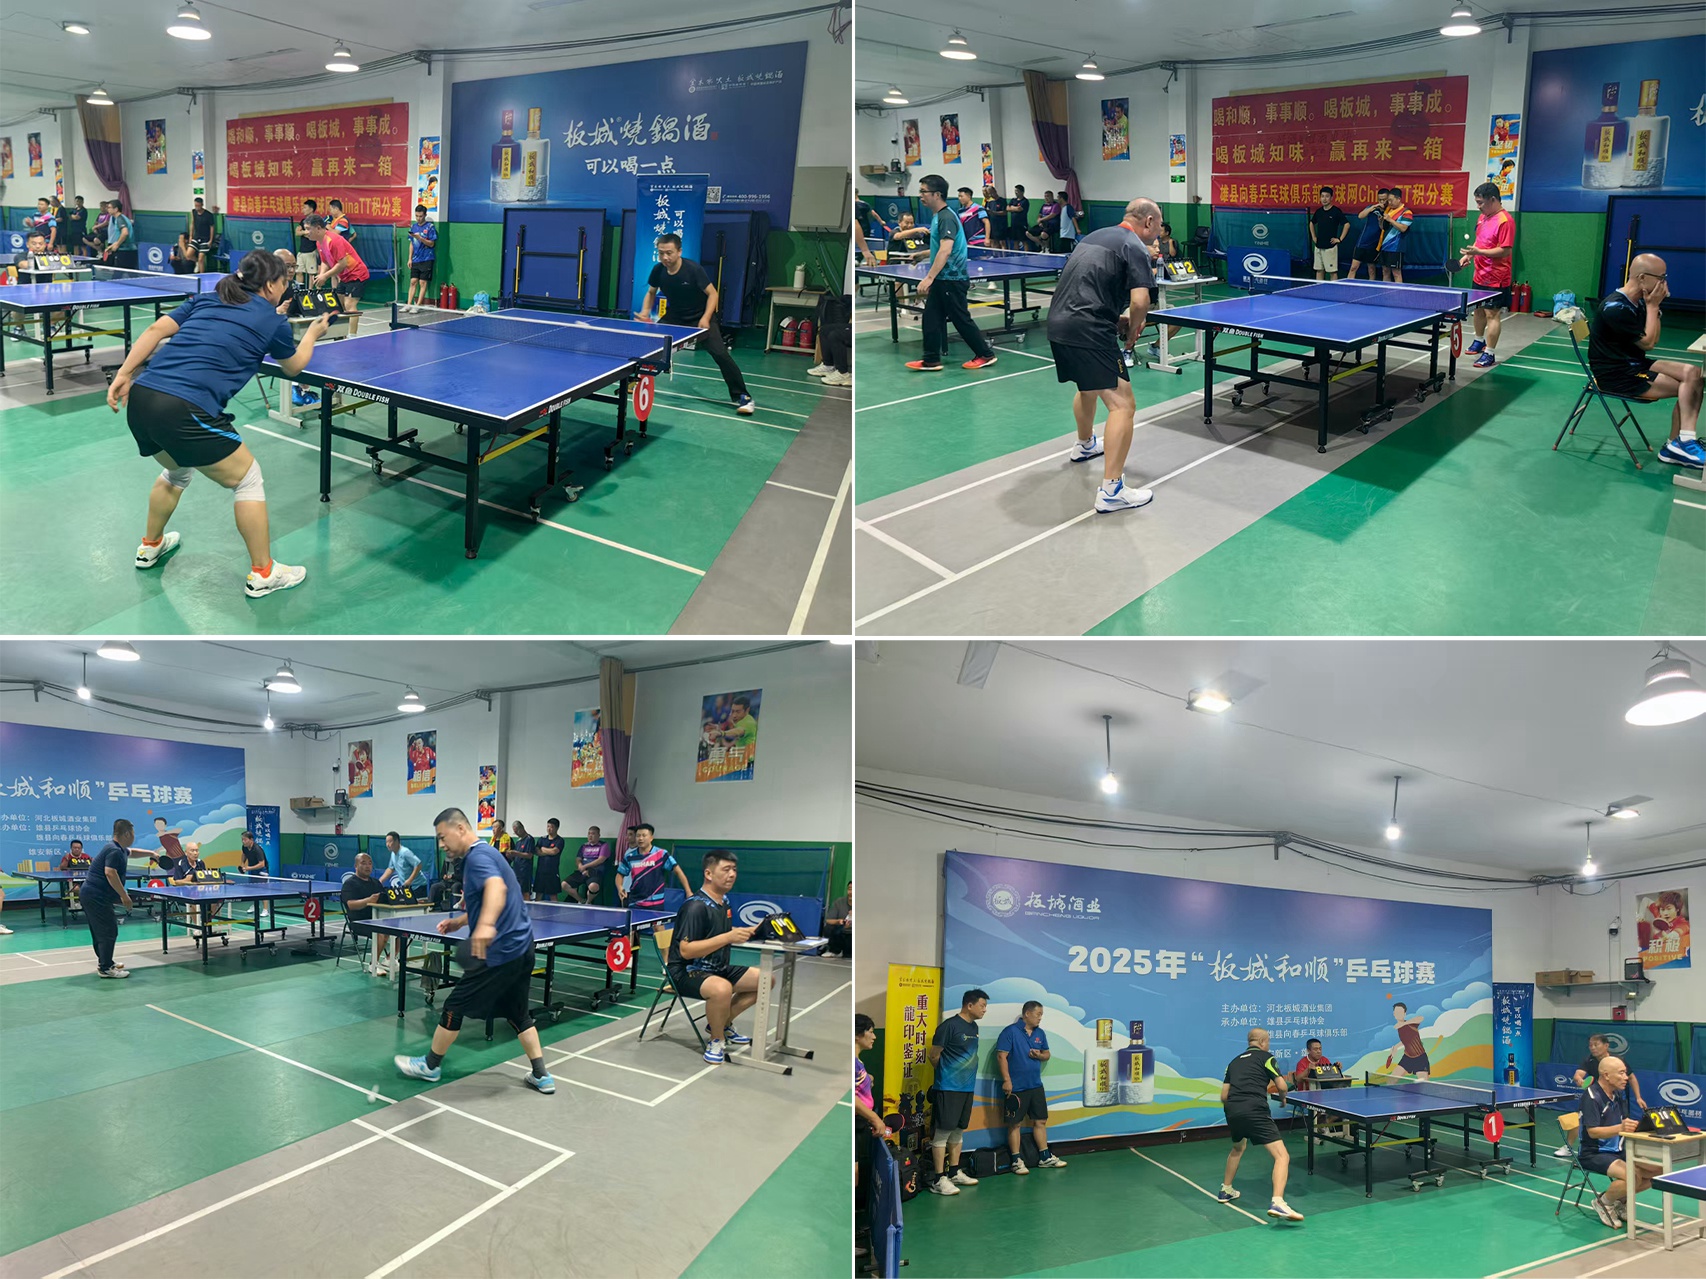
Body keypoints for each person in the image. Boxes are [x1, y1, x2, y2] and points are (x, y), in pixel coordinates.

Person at [105, 249, 330, 599]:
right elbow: (293, 367)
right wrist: (313, 334)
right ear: (271, 285)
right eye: (284, 281)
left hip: (143, 398)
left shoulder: (207, 299)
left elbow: (155, 329)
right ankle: (264, 573)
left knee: (177, 471)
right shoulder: (272, 322)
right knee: (248, 479)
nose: (286, 288)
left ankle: (150, 545)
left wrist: (124, 373)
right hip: (184, 408)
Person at [393, 808, 556, 1094]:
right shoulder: (488, 854)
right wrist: (460, 921)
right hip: (522, 948)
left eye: (443, 837)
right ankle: (541, 1074)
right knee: (518, 1013)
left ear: (460, 829)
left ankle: (430, 1065)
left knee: (454, 1006)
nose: (441, 844)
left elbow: (496, 889)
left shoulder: (478, 858)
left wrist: (485, 928)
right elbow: (495, 897)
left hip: (499, 952)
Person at [1048, 196, 1162, 514]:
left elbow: (1085, 288)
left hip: (1059, 323)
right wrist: (1133, 331)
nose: (1159, 231)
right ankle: (1113, 490)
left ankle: (1085, 445)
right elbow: (1140, 302)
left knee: (1088, 386)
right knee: (1123, 405)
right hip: (1089, 330)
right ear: (1148, 221)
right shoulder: (1135, 246)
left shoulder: (1095, 236)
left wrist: (1115, 320)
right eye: (1159, 225)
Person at [1589, 253, 1704, 468]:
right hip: (1617, 375)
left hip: (1634, 363)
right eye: (1661, 278)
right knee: (1688, 389)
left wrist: (1654, 308)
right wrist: (1653, 307)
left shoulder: (1639, 302)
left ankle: (1679, 444)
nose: (1664, 283)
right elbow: (1648, 343)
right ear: (1642, 278)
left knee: (1694, 374)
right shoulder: (1616, 307)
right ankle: (1680, 444)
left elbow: (1654, 339)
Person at [636, 232, 756, 415]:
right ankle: (637, 381)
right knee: (649, 346)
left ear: (679, 251)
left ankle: (743, 396)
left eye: (669, 253)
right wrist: (645, 311)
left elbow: (713, 294)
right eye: (661, 253)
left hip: (700, 317)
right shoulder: (658, 270)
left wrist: (706, 317)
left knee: (720, 354)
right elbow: (651, 292)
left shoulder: (693, 270)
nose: (665, 257)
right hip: (675, 317)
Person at [665, 848, 760, 1064]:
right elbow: (686, 950)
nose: (732, 874)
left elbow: (717, 933)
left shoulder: (723, 902)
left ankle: (722, 1023)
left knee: (764, 980)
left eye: (734, 869)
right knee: (721, 989)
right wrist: (728, 937)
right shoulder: (695, 906)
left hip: (717, 968)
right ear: (708, 874)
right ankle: (716, 1039)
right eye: (726, 869)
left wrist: (746, 931)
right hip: (685, 972)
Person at [904, 174, 998, 374]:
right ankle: (931, 360)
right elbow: (942, 247)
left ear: (937, 194)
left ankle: (985, 355)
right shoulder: (938, 216)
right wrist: (923, 254)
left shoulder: (946, 217)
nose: (920, 195)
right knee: (931, 318)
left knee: (961, 319)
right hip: (943, 279)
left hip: (952, 279)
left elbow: (946, 250)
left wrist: (929, 277)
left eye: (924, 191)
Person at [1218, 1028, 1304, 1220]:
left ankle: (1226, 1189)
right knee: (1282, 1156)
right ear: (1263, 1042)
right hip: (1254, 1109)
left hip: (1232, 1110)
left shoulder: (1233, 1062)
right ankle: (1278, 1202)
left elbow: (1224, 1095)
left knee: (1238, 1148)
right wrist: (1283, 1097)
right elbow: (1282, 1085)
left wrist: (1237, 1110)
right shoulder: (1267, 1058)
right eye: (1269, 1041)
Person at [1578, 1055, 1660, 1229]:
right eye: (1621, 1073)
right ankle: (1603, 1202)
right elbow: (1592, 1132)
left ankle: (1619, 1201)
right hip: (1594, 1152)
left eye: (1625, 1073)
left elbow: (1622, 1124)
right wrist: (1621, 1127)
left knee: (1659, 1171)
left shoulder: (1618, 1095)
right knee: (1633, 1176)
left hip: (1619, 1148)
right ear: (1606, 1075)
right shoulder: (1591, 1097)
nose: (1626, 1077)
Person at [995, 1001, 1068, 1173]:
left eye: (1041, 1015)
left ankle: (1045, 1157)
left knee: (1040, 1121)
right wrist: (1007, 1080)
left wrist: (1039, 1055)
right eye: (1038, 1014)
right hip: (1016, 1088)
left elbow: (1047, 1054)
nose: (1040, 1018)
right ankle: (1016, 1161)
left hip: (1035, 1085)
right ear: (1027, 1014)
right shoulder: (1010, 1032)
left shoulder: (1040, 1033)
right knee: (1015, 1124)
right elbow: (1001, 1056)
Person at [927, 988, 987, 1195]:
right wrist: (946, 1075)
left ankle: (953, 1172)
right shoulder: (948, 1026)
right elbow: (934, 1055)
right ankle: (938, 1179)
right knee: (943, 1132)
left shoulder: (974, 1027)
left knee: (959, 1130)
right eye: (982, 1005)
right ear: (969, 1005)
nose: (984, 1010)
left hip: (967, 1088)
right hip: (948, 1088)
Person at [1458, 182, 1515, 369]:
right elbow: (1479, 241)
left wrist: (1479, 253)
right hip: (1479, 274)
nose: (1478, 206)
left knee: (1492, 314)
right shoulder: (1483, 217)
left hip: (1497, 277)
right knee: (1478, 310)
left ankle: (1489, 353)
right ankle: (1478, 340)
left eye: (1480, 202)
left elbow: (1505, 250)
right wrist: (1468, 255)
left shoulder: (1505, 221)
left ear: (1493, 200)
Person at [80, 819, 139, 977]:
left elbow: (133, 852)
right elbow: (110, 873)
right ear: (127, 834)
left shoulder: (117, 848)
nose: (134, 836)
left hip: (93, 895)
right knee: (108, 930)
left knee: (100, 931)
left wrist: (153, 854)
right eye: (133, 833)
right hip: (95, 896)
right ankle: (105, 968)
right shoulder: (114, 851)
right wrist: (124, 896)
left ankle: (106, 961)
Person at [303, 216, 370, 337]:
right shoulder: (319, 242)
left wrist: (325, 276)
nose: (306, 232)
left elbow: (342, 263)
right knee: (339, 303)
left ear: (318, 228)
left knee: (350, 304)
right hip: (344, 277)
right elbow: (325, 262)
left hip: (357, 274)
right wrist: (321, 274)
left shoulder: (334, 240)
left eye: (308, 229)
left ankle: (352, 336)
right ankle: (342, 333)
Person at [616, 823, 691, 910]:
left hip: (656, 902)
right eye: (638, 836)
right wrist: (620, 887)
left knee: (659, 920)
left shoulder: (661, 854)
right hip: (635, 902)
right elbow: (620, 875)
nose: (640, 838)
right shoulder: (629, 857)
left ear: (651, 838)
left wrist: (688, 892)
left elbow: (678, 872)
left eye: (644, 835)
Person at [340, 852, 389, 971]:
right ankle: (374, 964)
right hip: (359, 922)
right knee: (380, 932)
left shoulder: (376, 883)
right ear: (356, 866)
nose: (367, 866)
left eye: (370, 863)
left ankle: (390, 959)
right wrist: (368, 900)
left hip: (377, 919)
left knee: (401, 931)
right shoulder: (350, 884)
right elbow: (351, 905)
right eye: (363, 863)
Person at [1346, 189, 1388, 281]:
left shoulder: (1388, 212)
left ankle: (1371, 287)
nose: (1382, 202)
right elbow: (1360, 216)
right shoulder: (1372, 208)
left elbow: (1383, 228)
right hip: (1362, 243)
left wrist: (1381, 220)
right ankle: (1348, 286)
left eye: (1384, 199)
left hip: (1375, 245)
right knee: (1353, 267)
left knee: (1372, 269)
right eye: (1380, 199)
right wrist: (1372, 207)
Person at [563, 824, 612, 903]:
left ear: (598, 835)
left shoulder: (603, 845)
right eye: (589, 834)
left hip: (595, 872)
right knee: (564, 884)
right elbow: (578, 859)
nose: (590, 836)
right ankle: (581, 900)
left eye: (593, 834)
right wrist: (581, 866)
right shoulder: (584, 846)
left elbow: (601, 860)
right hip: (582, 871)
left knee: (593, 887)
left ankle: (588, 902)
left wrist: (585, 866)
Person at [1308, 186, 1348, 282]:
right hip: (1318, 247)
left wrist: (1340, 239)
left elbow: (1347, 224)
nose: (1324, 199)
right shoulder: (1319, 212)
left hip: (1330, 247)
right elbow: (1311, 223)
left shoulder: (1336, 211)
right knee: (1319, 270)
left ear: (1331, 198)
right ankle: (1318, 288)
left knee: (1332, 272)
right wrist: (1314, 237)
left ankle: (1334, 290)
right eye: (1322, 196)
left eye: (1327, 196)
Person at [405, 205, 437, 309]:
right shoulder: (413, 227)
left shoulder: (430, 227)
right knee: (413, 281)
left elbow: (431, 244)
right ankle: (409, 304)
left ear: (425, 215)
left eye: (420, 216)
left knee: (422, 282)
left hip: (427, 258)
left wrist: (420, 238)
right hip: (415, 259)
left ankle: (418, 305)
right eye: (417, 216)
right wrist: (410, 258)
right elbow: (411, 244)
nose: (418, 218)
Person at [1377, 188, 1412, 283]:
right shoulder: (1389, 211)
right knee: (1385, 271)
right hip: (1384, 246)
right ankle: (1385, 291)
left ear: (1398, 199)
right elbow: (1383, 228)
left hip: (1396, 247)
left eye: (1391, 200)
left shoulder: (1406, 212)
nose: (1389, 203)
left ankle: (1398, 292)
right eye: (1388, 200)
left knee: (1396, 273)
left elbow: (1403, 228)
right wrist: (1380, 221)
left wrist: (1390, 220)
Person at [534, 818, 565, 901]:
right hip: (540, 871)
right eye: (548, 826)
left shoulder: (560, 840)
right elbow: (537, 851)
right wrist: (548, 851)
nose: (549, 829)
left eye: (551, 827)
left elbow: (554, 851)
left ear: (557, 828)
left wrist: (543, 849)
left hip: (552, 872)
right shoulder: (542, 839)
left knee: (553, 896)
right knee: (538, 895)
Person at [823, 879, 851, 957]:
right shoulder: (839, 902)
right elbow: (828, 920)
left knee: (848, 956)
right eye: (850, 889)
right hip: (841, 932)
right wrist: (838, 921)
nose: (851, 892)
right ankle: (833, 950)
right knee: (828, 928)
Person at [510, 820, 537, 900]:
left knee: (525, 892)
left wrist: (516, 853)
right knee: (517, 891)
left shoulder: (529, 839)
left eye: (517, 831)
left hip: (525, 871)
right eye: (514, 832)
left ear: (521, 828)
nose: (516, 834)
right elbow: (516, 856)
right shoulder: (518, 841)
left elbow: (529, 855)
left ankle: (527, 906)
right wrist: (511, 855)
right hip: (517, 870)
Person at [105, 202, 136, 268]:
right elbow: (120, 237)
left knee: (120, 273)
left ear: (116, 209)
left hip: (125, 251)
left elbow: (125, 233)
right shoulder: (120, 218)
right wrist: (111, 246)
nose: (107, 209)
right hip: (126, 250)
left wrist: (117, 245)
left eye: (109, 207)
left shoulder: (120, 219)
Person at [189, 197, 216, 272]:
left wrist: (210, 240)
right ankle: (197, 262)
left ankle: (202, 275)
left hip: (205, 239)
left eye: (198, 205)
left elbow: (212, 227)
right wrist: (191, 236)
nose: (197, 207)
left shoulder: (208, 215)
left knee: (201, 258)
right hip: (196, 237)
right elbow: (192, 223)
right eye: (195, 205)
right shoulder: (193, 212)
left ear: (202, 205)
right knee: (188, 255)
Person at [297, 198, 320, 284]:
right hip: (301, 251)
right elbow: (297, 232)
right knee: (298, 272)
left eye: (305, 207)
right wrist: (304, 232)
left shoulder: (316, 221)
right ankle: (299, 289)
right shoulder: (303, 221)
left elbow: (313, 234)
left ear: (311, 209)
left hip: (311, 251)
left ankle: (310, 291)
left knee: (311, 274)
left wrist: (305, 233)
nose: (303, 210)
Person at [983, 184, 1008, 253]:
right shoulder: (989, 202)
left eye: (991, 192)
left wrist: (994, 212)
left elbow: (1004, 212)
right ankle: (995, 256)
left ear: (995, 191)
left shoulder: (1002, 201)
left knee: (1002, 242)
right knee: (993, 242)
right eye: (989, 193)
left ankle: (1004, 256)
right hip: (992, 225)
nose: (991, 194)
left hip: (1001, 225)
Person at [1005, 186, 1030, 251]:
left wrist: (1012, 208)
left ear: (1022, 192)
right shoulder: (1013, 200)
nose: (1016, 192)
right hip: (1014, 224)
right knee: (1015, 241)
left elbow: (1019, 209)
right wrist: (1015, 208)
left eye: (1017, 191)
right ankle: (1016, 255)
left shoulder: (1025, 201)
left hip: (1022, 224)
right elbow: (1007, 208)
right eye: (1015, 191)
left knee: (1024, 241)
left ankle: (1027, 254)